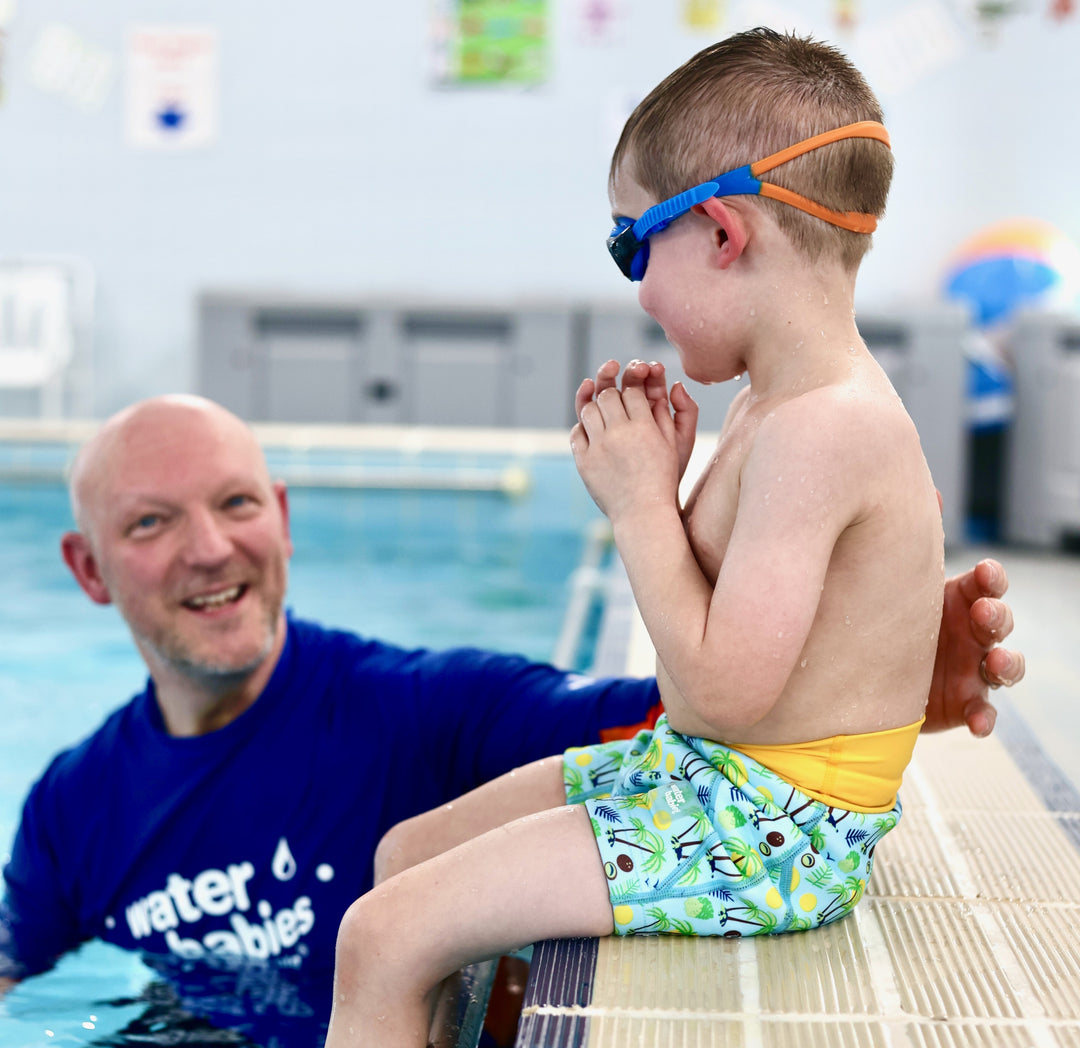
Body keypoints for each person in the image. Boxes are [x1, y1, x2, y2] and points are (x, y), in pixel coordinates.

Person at [323, 29, 1015, 1046]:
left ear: (724, 234)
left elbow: (718, 692)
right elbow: (731, 641)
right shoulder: (776, 406)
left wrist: (643, 505)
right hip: (720, 783)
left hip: (770, 831)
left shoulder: (824, 428)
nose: (636, 288)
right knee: (401, 858)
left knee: (378, 938)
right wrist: (674, 481)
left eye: (630, 244)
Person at [0, 378, 1020, 1016]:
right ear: (87, 570)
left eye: (233, 505)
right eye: (151, 525)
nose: (211, 549)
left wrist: (862, 663)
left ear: (282, 515)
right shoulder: (73, 806)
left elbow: (695, 727)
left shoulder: (424, 711)